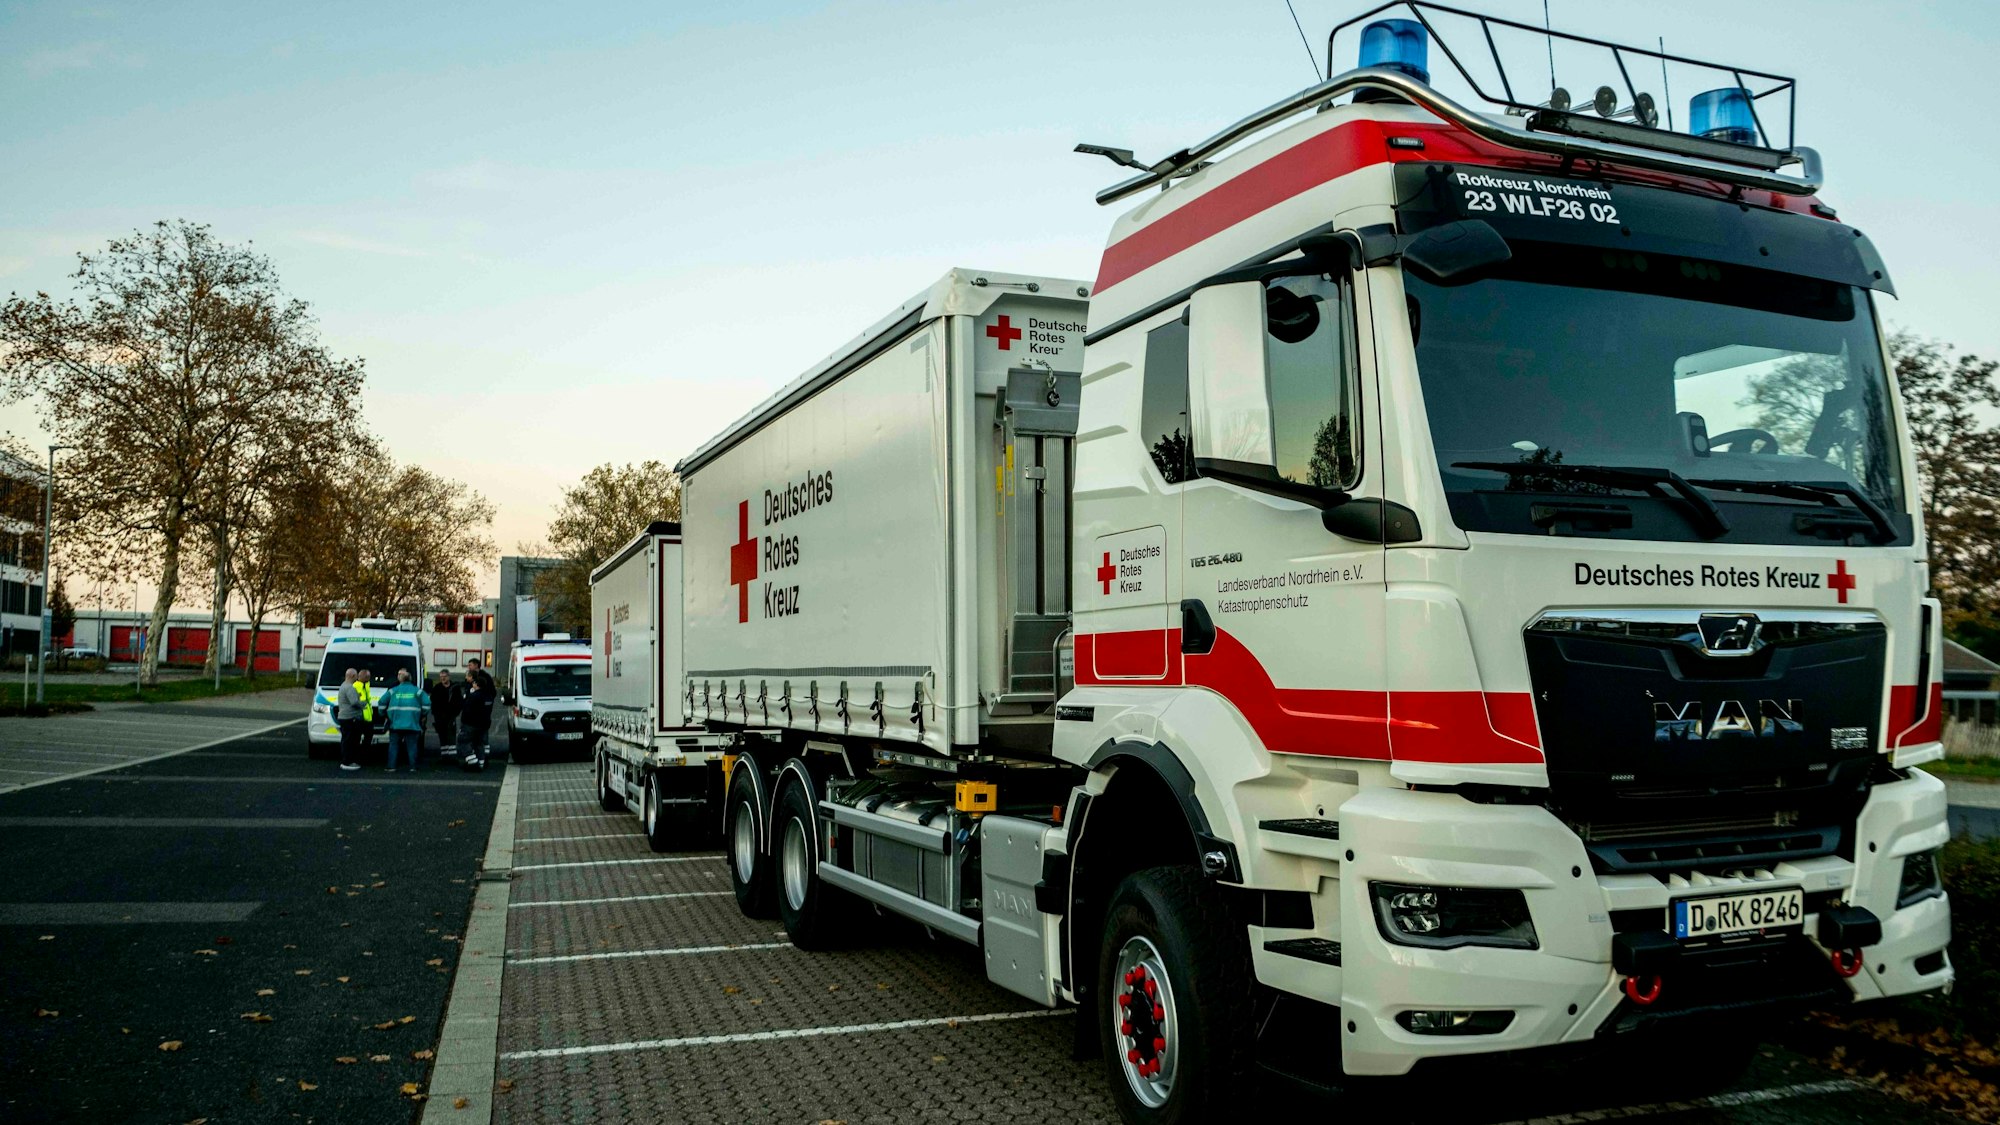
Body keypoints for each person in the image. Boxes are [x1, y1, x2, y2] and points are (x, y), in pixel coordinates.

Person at [381, 667, 430, 772]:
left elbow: (381, 702)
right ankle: (413, 767)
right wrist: (422, 714)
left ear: (401, 679)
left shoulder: (393, 691)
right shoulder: (418, 691)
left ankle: (391, 766)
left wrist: (384, 714)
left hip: (395, 723)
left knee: (394, 746)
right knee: (412, 746)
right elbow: (427, 704)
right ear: (410, 679)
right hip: (412, 724)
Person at [456, 658, 497, 770]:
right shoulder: (486, 695)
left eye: (470, 665)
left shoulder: (477, 691)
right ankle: (481, 762)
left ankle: (473, 762)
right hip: (484, 721)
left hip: (472, 722)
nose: (468, 667)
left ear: (476, 665)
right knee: (479, 742)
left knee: (465, 740)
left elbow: (468, 708)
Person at [334, 667, 365, 772]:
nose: (357, 677)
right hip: (350, 718)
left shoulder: (343, 686)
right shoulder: (349, 687)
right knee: (350, 740)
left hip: (344, 717)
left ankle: (347, 760)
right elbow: (354, 702)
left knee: (346, 739)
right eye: (356, 675)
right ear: (352, 676)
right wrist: (363, 704)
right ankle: (347, 761)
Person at [426, 670, 459, 761]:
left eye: (444, 676)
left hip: (451, 716)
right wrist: (436, 714)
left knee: (451, 736)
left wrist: (455, 713)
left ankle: (452, 757)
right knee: (442, 736)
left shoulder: (455, 688)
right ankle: (444, 757)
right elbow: (433, 701)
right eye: (441, 677)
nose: (442, 678)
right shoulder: (437, 688)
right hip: (439, 717)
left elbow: (458, 702)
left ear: (449, 676)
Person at [355, 669, 380, 763]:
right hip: (359, 718)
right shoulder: (356, 686)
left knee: (367, 739)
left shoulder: (366, 685)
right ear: (361, 677)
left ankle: (364, 757)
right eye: (367, 676)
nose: (369, 678)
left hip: (368, 718)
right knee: (357, 739)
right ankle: (358, 758)